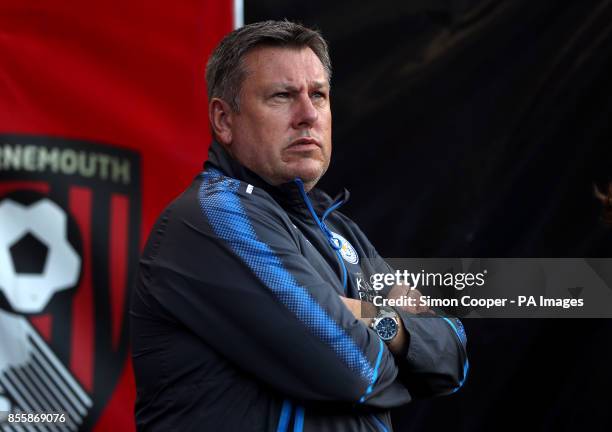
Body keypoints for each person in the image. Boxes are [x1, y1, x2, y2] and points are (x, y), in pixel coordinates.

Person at [130, 20, 468, 432]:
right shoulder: (216, 215)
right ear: (223, 120)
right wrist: (399, 338)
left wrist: (372, 318)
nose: (307, 115)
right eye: (282, 96)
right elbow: (357, 370)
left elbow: (451, 360)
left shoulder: (339, 228)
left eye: (319, 95)